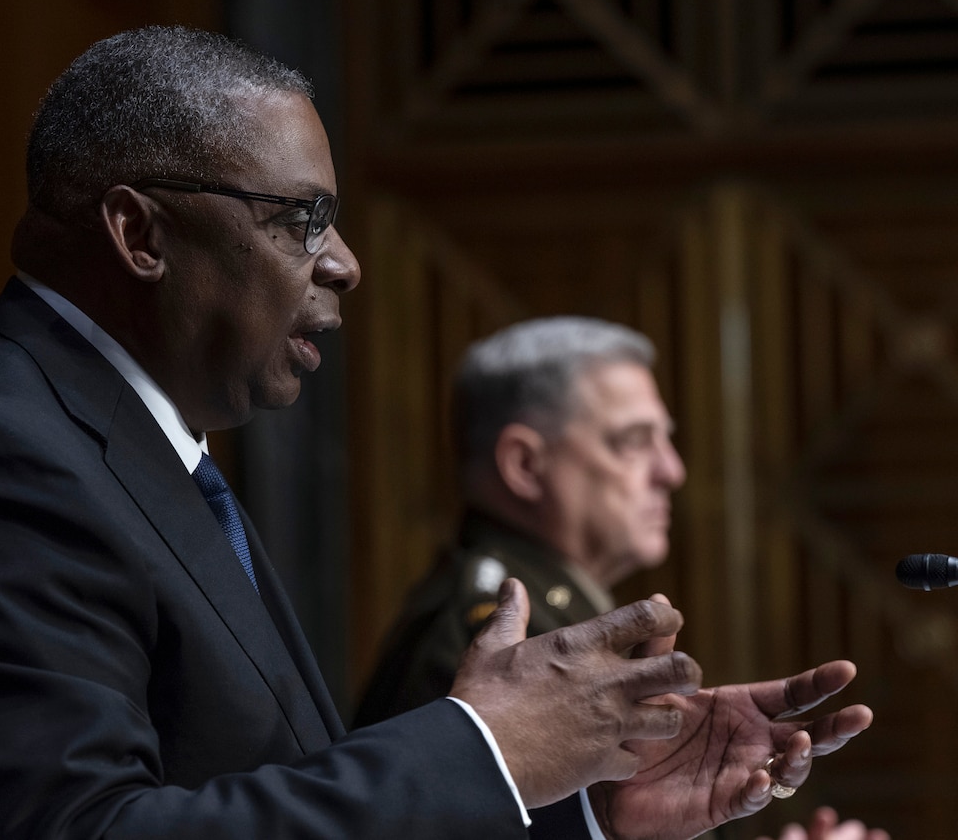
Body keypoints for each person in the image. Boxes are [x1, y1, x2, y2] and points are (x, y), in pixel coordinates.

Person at [0, 26, 873, 840]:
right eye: (302, 219)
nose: (343, 262)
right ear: (139, 231)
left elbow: (269, 798)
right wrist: (481, 750)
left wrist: (572, 805)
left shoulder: (143, 458)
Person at [355, 316, 887, 838]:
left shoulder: (553, 619)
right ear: (525, 464)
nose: (671, 470)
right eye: (634, 441)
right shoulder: (492, 641)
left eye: (666, 439)